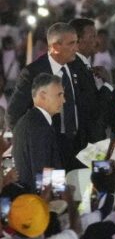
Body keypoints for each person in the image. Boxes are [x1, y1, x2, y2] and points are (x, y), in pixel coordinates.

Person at [7, 22, 81, 169]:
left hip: (78, 148)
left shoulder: (78, 68)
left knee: (75, 190)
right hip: (48, 152)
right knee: (54, 190)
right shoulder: (33, 73)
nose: (77, 48)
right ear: (55, 47)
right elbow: (13, 114)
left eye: (77, 42)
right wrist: (30, 144)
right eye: (71, 43)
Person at [11, 73, 63, 190]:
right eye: (59, 95)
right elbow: (42, 175)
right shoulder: (39, 126)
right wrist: (62, 194)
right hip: (38, 202)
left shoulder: (29, 120)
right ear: (43, 96)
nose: (63, 100)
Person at [69, 17, 111, 147]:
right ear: (78, 40)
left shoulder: (82, 66)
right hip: (85, 145)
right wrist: (107, 84)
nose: (97, 41)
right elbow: (94, 110)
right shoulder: (77, 68)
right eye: (92, 36)